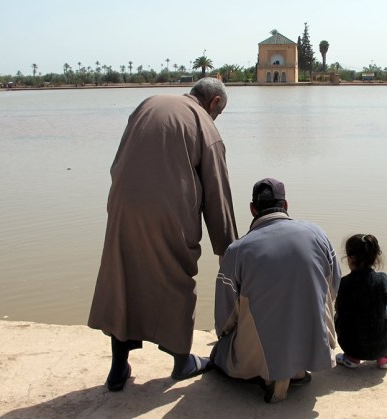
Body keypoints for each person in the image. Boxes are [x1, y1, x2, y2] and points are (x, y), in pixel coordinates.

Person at [88, 78, 239, 392]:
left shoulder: (149, 103)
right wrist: (228, 247)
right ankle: (182, 361)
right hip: (166, 209)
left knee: (125, 278)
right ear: (213, 103)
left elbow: (119, 160)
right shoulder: (204, 124)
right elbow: (217, 192)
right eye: (218, 113)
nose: (215, 119)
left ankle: (118, 369)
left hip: (122, 204)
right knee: (177, 278)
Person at [211, 178, 341, 403]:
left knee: (219, 353)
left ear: (252, 209)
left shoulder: (238, 250)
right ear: (286, 205)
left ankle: (271, 376)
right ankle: (297, 369)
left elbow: (225, 319)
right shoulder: (318, 234)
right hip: (317, 346)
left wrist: (225, 338)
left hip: (262, 356)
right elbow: (335, 287)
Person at [334, 234, 387, 370]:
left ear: (350, 258)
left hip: (350, 346)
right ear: (375, 258)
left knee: (338, 316)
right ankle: (384, 358)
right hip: (380, 346)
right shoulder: (382, 281)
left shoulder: (344, 283)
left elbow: (340, 310)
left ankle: (351, 358)